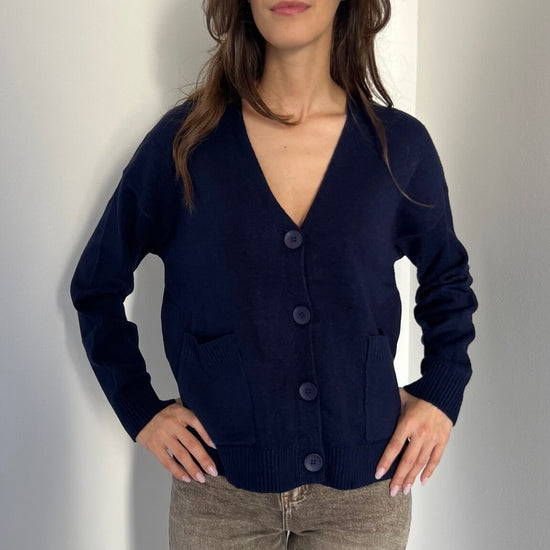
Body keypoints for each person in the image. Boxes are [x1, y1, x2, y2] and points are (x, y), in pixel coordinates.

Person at [70, 0, 478, 548]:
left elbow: (447, 278)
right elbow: (96, 286)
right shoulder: (184, 144)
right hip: (218, 493)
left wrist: (441, 393)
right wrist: (141, 410)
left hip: (364, 496)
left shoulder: (398, 147)